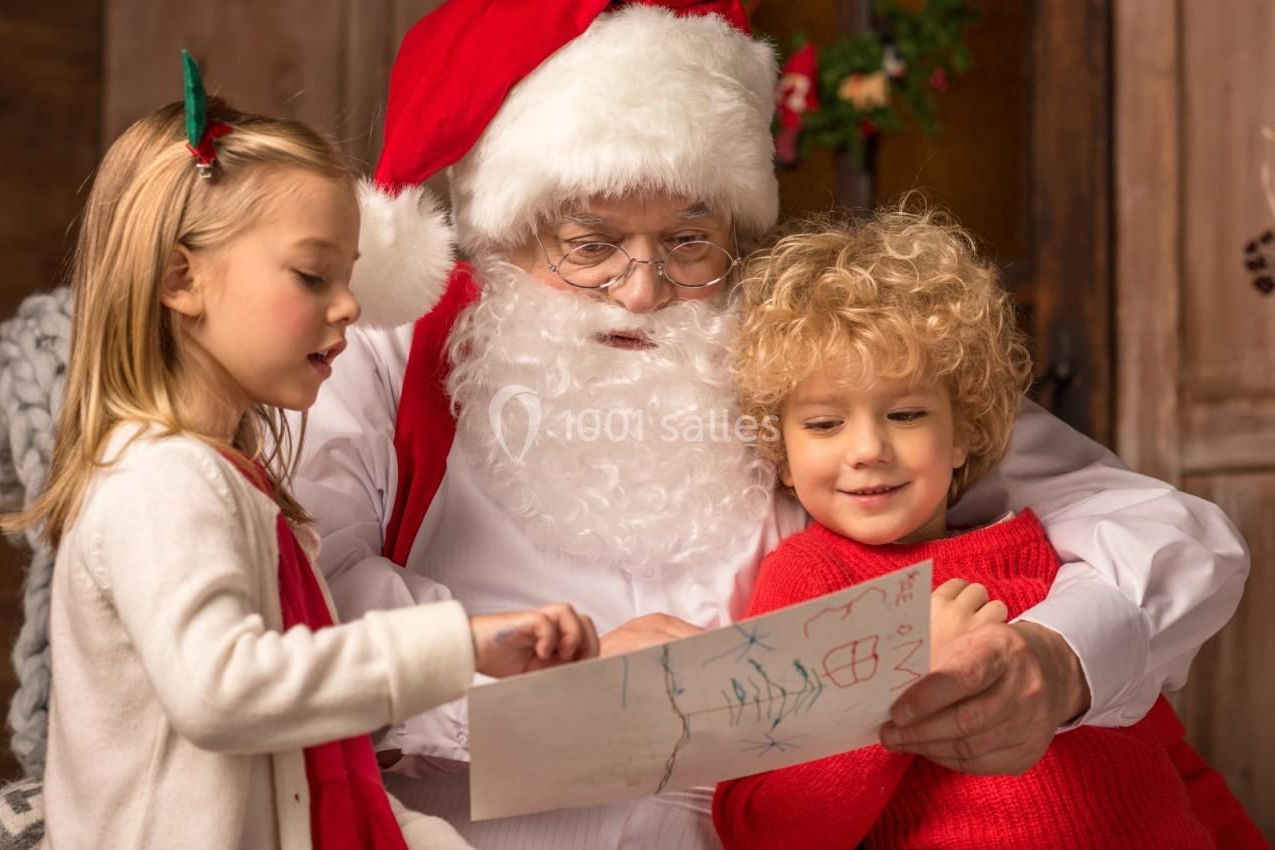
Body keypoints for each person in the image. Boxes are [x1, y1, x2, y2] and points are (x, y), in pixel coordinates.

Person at [295, 1, 1250, 846]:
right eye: (588, 245)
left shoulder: (804, 356)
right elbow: (302, 597)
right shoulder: (388, 348)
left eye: (689, 241)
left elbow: (1163, 526)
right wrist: (545, 676)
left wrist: (1063, 656)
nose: (641, 290)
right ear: (506, 229)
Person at [6, 95, 598, 850]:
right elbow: (225, 691)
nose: (350, 304)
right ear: (181, 280)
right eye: (313, 275)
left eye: (347, 276)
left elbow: (313, 766)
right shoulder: (162, 483)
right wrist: (459, 646)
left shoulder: (242, 492)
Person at [710, 209, 1268, 850]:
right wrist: (895, 672)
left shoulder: (1051, 551)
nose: (867, 449)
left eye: (906, 413)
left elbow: (1172, 757)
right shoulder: (809, 580)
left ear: (967, 431)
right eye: (824, 424)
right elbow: (764, 828)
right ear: (779, 453)